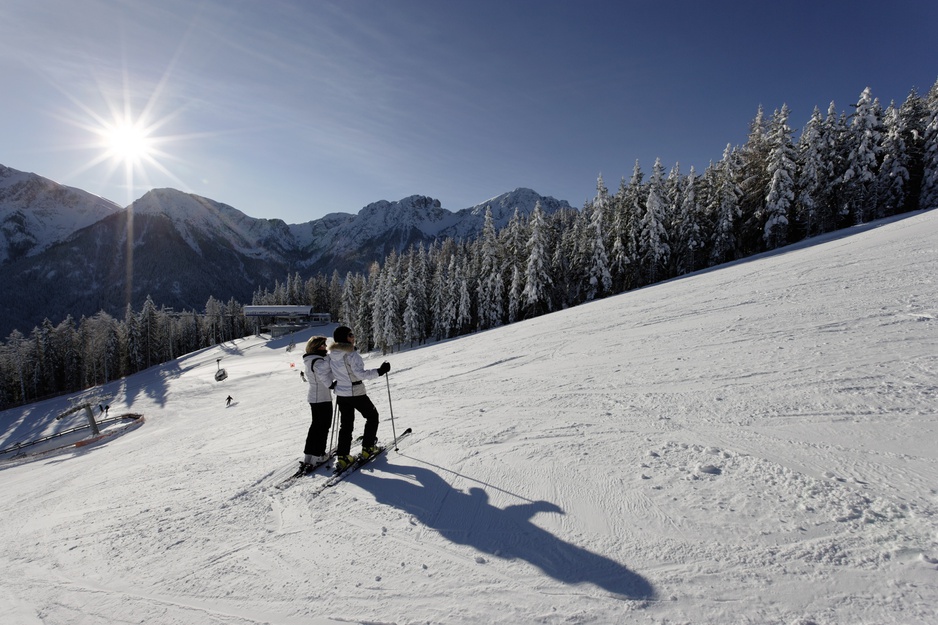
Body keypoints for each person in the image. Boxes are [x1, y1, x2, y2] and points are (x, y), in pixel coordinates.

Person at [321, 326, 390, 472]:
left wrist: (331, 384)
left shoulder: (331, 355)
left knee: (346, 424)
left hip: (342, 395)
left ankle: (343, 457)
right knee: (372, 416)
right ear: (344, 338)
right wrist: (380, 371)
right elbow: (361, 375)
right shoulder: (351, 355)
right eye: (350, 335)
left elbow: (323, 372)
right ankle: (368, 447)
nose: (353, 337)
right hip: (356, 392)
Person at [301, 336, 335, 473]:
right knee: (323, 426)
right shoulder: (318, 361)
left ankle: (309, 454)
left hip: (315, 397)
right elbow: (325, 376)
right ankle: (319, 454)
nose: (325, 347)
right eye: (323, 345)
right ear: (316, 347)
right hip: (322, 398)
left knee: (315, 426)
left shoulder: (310, 360)